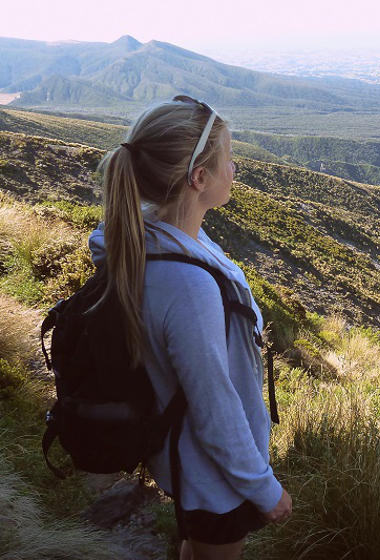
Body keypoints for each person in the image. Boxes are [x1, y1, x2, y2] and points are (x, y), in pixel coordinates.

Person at [88, 95, 292, 560]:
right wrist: (263, 489)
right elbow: (214, 405)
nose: (235, 168)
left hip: (187, 463)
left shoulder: (155, 241)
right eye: (227, 159)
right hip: (213, 477)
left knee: (194, 547)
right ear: (199, 178)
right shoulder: (186, 284)